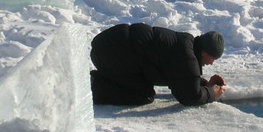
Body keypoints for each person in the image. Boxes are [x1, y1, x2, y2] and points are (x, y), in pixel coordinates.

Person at [90, 23, 226, 106]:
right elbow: (190, 97)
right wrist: (212, 93)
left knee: (141, 87)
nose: (211, 62)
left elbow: (180, 76)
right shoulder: (187, 56)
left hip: (109, 46)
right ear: (204, 52)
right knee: (142, 95)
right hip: (109, 52)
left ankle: (96, 80)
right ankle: (90, 87)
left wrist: (203, 84)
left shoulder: (185, 46)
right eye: (213, 58)